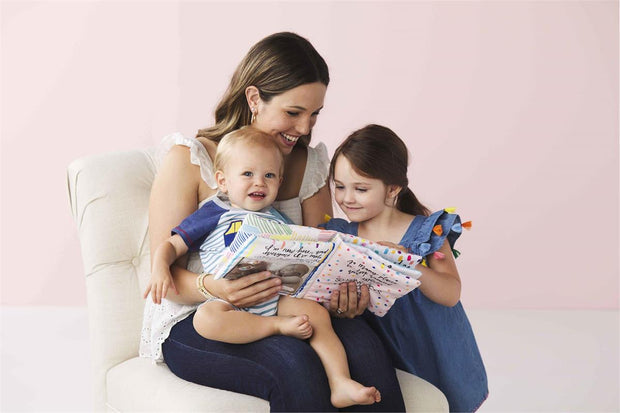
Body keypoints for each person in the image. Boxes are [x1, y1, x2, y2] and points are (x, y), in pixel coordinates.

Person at [140, 32, 406, 412]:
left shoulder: (309, 164)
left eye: (314, 114)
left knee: (364, 347)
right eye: (293, 113)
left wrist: (343, 293)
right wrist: (218, 288)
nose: (304, 128)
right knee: (293, 363)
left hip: (282, 303)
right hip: (201, 315)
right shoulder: (190, 159)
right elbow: (165, 278)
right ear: (254, 99)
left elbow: (321, 254)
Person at [144, 128, 381, 408]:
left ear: (279, 181)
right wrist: (160, 267)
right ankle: (276, 327)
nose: (259, 182)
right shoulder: (216, 212)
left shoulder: (278, 220)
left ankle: (339, 380)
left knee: (315, 314)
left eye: (269, 175)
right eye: (247, 174)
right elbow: (172, 245)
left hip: (274, 298)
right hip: (228, 300)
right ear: (222, 181)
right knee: (206, 319)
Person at [323, 124, 489, 412]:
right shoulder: (341, 235)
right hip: (383, 352)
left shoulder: (426, 232)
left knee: (438, 403)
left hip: (431, 348)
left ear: (393, 189)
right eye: (339, 186)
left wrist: (408, 264)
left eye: (360, 189)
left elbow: (451, 292)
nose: (347, 198)